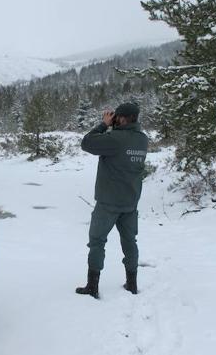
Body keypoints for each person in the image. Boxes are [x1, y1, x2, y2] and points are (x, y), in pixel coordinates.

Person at [76, 102, 148, 299]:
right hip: (131, 202)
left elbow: (87, 143)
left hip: (108, 203)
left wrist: (103, 124)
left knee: (97, 241)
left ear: (122, 118)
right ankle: (132, 284)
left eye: (117, 116)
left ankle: (92, 285)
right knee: (129, 242)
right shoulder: (143, 140)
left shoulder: (115, 138)